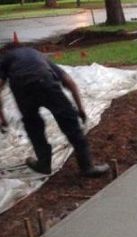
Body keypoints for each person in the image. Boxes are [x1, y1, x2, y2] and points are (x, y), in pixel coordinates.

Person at [0, 43, 109, 177]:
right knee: (70, 124)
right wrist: (80, 109)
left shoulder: (6, 58)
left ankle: (44, 164)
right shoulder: (37, 55)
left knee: (33, 126)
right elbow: (69, 82)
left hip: (22, 89)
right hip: (45, 82)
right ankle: (87, 167)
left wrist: (3, 118)